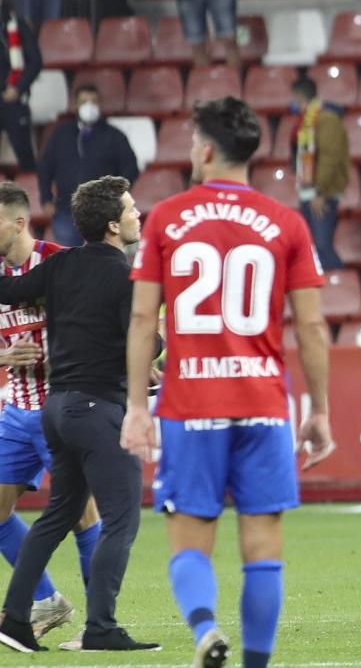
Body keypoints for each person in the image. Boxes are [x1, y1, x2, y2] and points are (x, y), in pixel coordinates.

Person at [120, 97, 336, 668]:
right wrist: (319, 411)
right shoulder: (286, 221)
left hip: (191, 405)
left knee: (190, 541)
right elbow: (311, 325)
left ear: (208, 149)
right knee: (263, 549)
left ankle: (206, 629)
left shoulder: (166, 218)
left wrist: (137, 407)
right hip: (264, 403)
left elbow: (143, 319)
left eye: (194, 139)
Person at [0, 176, 156, 653]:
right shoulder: (125, 275)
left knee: (57, 517)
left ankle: (14, 621)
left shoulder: (60, 264)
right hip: (95, 407)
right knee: (120, 521)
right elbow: (143, 335)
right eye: (130, 210)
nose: (137, 215)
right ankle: (101, 628)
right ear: (112, 225)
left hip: (55, 408)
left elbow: (11, 292)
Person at [0, 183, 104, 643]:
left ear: (19, 222)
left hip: (60, 409)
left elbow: (91, 329)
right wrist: (5, 359)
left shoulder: (61, 264)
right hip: (16, 412)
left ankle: (102, 622)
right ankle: (46, 600)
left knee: (82, 514)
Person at [38, 85, 140, 247]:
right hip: (66, 209)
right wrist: (46, 199)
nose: (89, 106)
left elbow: (130, 168)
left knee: (103, 258)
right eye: (84, 102)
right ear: (76, 105)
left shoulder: (114, 135)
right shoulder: (61, 134)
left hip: (104, 211)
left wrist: (117, 195)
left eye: (93, 101)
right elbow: (45, 168)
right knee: (71, 258)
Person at [290, 76, 348, 271]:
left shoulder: (326, 119)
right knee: (314, 247)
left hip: (322, 194)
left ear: (299, 97)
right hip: (309, 192)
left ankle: (340, 286)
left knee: (322, 246)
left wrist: (319, 192)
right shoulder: (308, 120)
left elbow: (329, 159)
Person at [0, 0, 39, 173]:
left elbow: (35, 61)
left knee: (25, 159)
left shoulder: (17, 25)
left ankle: (29, 198)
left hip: (13, 99)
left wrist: (18, 88)